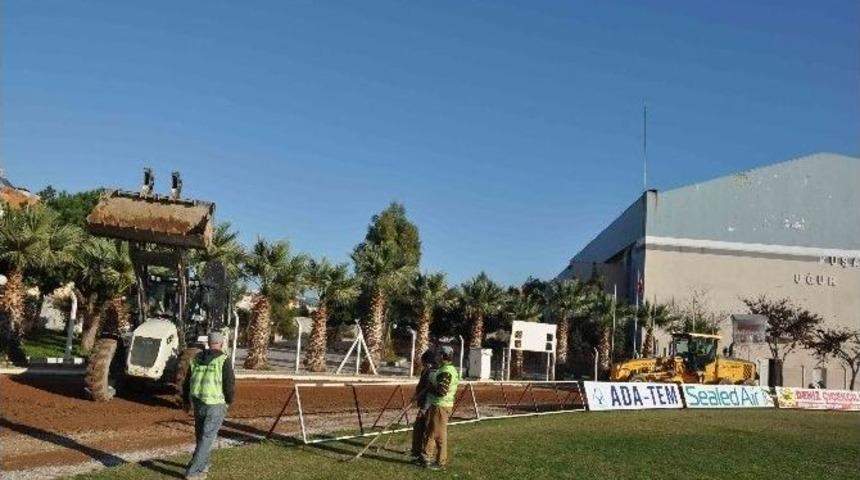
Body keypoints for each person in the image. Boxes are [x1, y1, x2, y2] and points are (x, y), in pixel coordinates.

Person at [182, 332, 235, 480]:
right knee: (207, 437)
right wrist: (229, 401)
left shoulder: (196, 358)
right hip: (215, 403)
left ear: (208, 343)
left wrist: (185, 401)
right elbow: (229, 384)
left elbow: (186, 381)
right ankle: (193, 472)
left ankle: (204, 464)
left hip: (198, 401)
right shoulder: (223, 359)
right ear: (222, 343)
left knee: (201, 435)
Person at [420, 345, 460, 471]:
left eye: (439, 355)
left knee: (438, 434)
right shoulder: (445, 369)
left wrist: (430, 388)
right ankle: (426, 457)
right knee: (432, 432)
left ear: (443, 356)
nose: (436, 357)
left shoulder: (446, 371)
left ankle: (439, 461)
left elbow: (442, 391)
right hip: (438, 405)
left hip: (441, 405)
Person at [411, 349, 437, 460]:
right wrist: (415, 396)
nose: (421, 362)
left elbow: (429, 392)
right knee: (418, 427)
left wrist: (424, 408)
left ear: (426, 361)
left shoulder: (432, 373)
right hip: (422, 404)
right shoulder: (425, 371)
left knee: (427, 429)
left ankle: (425, 455)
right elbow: (421, 387)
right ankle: (416, 452)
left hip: (428, 406)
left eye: (423, 360)